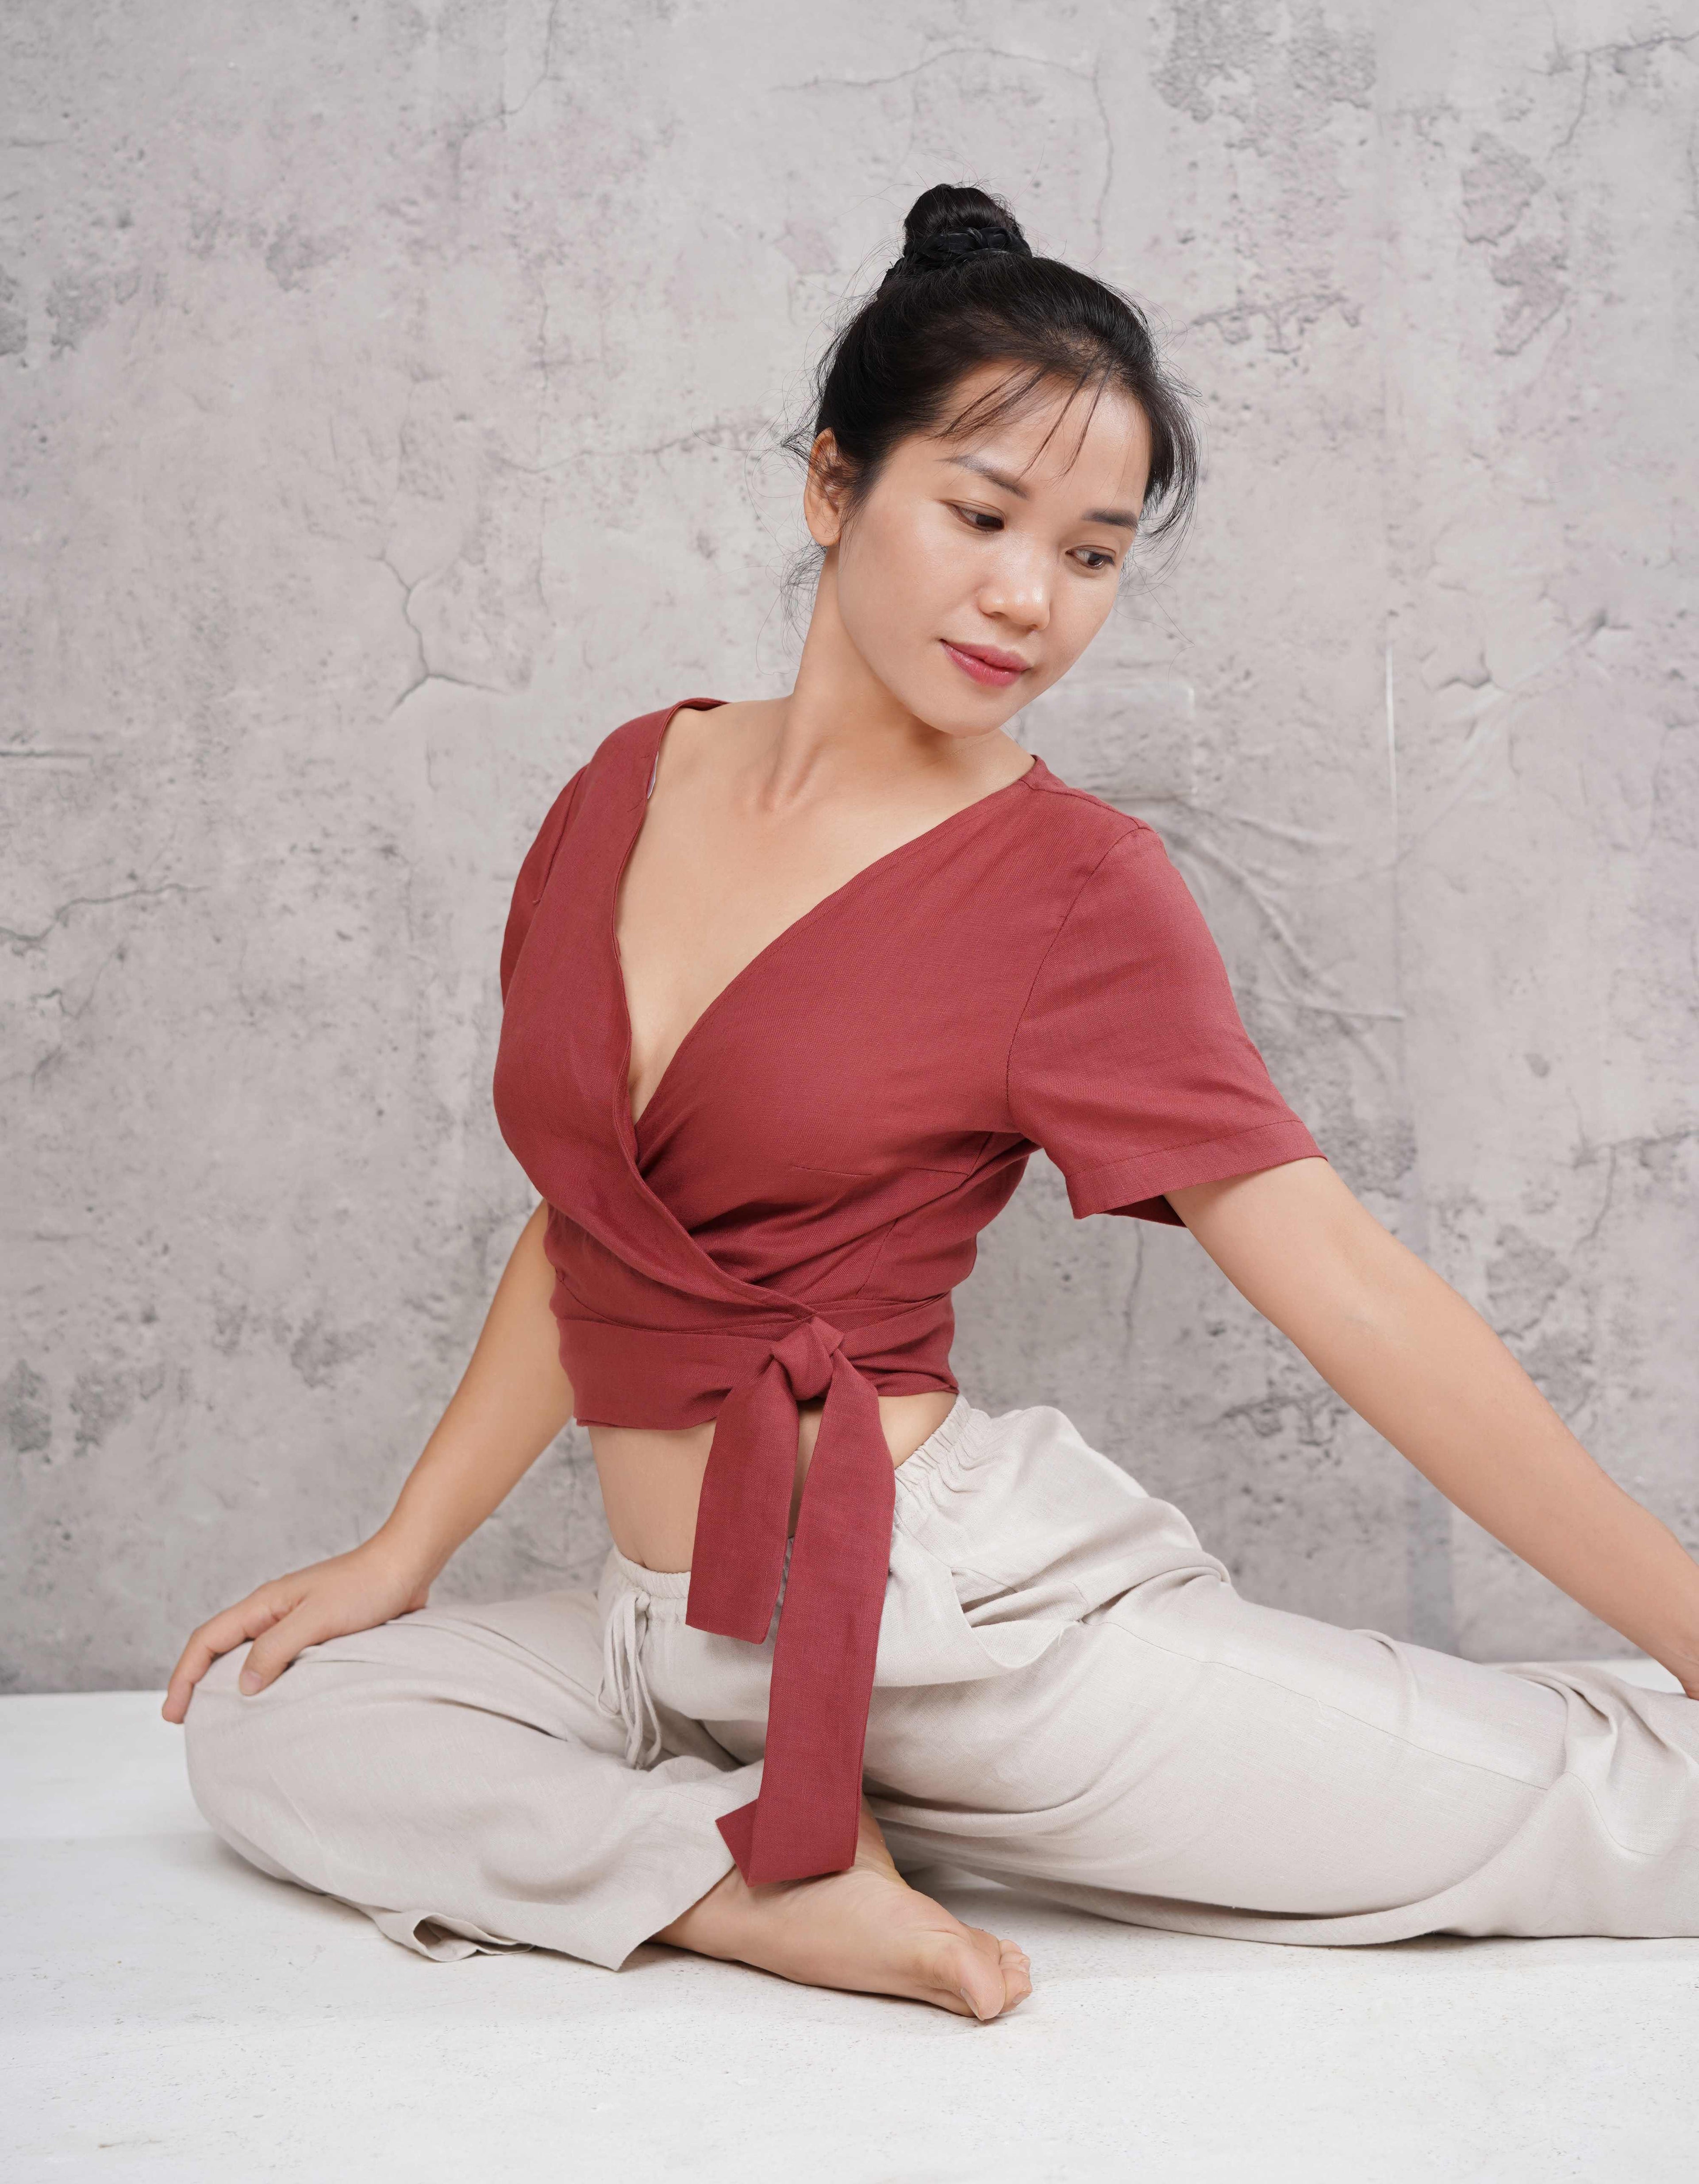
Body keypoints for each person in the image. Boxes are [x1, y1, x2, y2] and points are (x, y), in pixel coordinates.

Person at [168, 185, 1699, 2024]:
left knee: (1618, 1818)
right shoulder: (623, 786)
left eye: (1095, 554)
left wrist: (1687, 1624)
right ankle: (755, 1889)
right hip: (667, 1643)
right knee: (275, 1727)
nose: (1029, 600)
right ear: (835, 487)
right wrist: (403, 1554)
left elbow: (1350, 1289)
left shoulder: (1072, 888)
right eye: (980, 516)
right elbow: (595, 1226)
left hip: (959, 1639)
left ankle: (780, 1838)